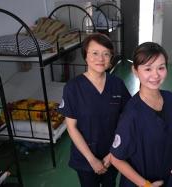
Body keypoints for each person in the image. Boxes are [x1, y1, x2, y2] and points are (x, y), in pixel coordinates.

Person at [58, 33, 131, 187]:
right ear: (85, 56)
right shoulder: (73, 87)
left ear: (111, 58)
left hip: (113, 155)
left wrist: (112, 154)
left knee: (110, 183)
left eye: (106, 54)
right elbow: (72, 128)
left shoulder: (117, 84)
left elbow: (127, 121)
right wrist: (91, 159)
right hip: (85, 158)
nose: (100, 58)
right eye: (95, 53)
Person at [110, 42, 172, 187]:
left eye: (161, 68)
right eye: (148, 69)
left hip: (168, 176)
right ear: (135, 71)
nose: (156, 75)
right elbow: (116, 158)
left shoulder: (170, 100)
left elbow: (170, 133)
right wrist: (145, 184)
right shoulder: (132, 114)